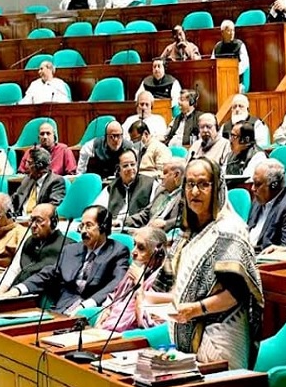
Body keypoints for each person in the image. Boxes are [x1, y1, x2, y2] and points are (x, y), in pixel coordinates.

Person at [153, 157, 263, 369]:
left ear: (218, 188)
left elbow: (236, 293)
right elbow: (176, 287)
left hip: (220, 337)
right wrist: (146, 297)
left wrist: (194, 309)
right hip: (185, 337)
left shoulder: (229, 230)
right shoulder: (188, 232)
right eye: (190, 184)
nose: (195, 192)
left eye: (203, 184)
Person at [0, 205, 130, 316]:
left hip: (92, 312)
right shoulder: (71, 250)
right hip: (62, 309)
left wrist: (87, 305)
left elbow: (117, 283)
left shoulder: (117, 251)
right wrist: (18, 290)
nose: (83, 231)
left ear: (103, 227)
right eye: (82, 226)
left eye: (89, 226)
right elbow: (48, 274)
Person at [96, 227, 167, 332]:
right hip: (106, 330)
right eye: (134, 245)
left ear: (157, 254)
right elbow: (113, 297)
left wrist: (139, 284)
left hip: (129, 337)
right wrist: (104, 314)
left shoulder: (159, 281)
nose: (133, 252)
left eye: (141, 248)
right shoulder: (133, 271)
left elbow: (147, 324)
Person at [0, 203, 67, 294]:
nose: (33, 225)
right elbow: (14, 269)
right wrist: (0, 292)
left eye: (39, 221)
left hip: (33, 296)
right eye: (31, 220)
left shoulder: (65, 246)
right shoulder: (29, 241)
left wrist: (16, 292)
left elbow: (46, 278)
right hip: (13, 293)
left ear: (53, 223)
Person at [247, 159, 286, 254]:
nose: (253, 188)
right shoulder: (257, 201)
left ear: (274, 185)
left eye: (257, 184)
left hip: (265, 259)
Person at [94, 149, 158, 222]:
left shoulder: (151, 184)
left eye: (133, 164)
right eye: (125, 166)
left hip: (138, 227)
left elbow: (154, 212)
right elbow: (96, 210)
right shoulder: (112, 187)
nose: (130, 168)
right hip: (113, 226)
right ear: (118, 169)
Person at [123, 158, 185, 232]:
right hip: (145, 231)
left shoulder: (185, 196)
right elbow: (145, 214)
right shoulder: (160, 190)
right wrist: (122, 221)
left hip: (164, 236)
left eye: (165, 173)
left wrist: (166, 223)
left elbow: (186, 220)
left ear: (176, 175)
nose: (161, 176)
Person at [12, 147, 66, 214]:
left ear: (40, 166)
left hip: (39, 220)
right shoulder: (27, 179)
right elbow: (15, 199)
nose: (26, 166)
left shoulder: (56, 181)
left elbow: (53, 207)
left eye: (29, 163)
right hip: (20, 219)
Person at [211, 20, 250, 92]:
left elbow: (245, 64)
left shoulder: (240, 45)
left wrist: (232, 72)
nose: (232, 33)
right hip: (221, 80)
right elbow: (212, 64)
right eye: (229, 30)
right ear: (222, 32)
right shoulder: (217, 47)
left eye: (233, 30)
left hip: (236, 80)